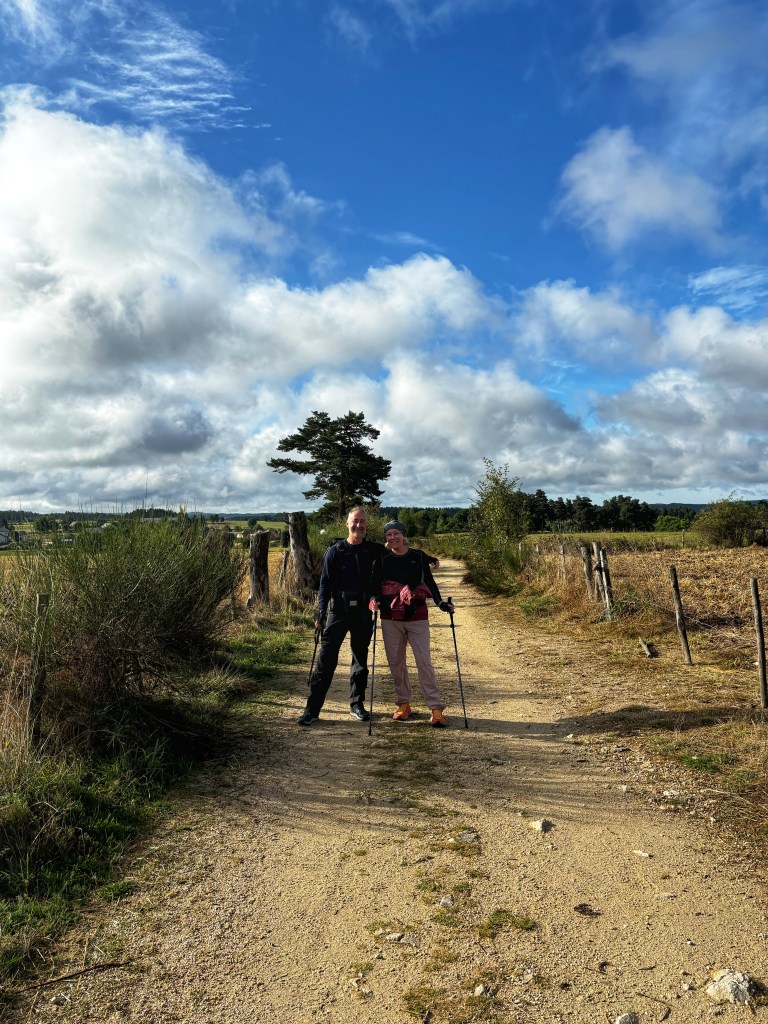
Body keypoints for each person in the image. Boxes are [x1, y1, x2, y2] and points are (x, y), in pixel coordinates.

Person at [297, 508, 382, 726]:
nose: (359, 525)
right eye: (355, 521)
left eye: (362, 521)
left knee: (360, 661)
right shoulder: (335, 551)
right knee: (326, 661)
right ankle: (312, 710)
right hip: (337, 611)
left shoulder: (373, 549)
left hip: (363, 611)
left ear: (366, 525)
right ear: (347, 523)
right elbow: (324, 583)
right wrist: (320, 611)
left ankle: (357, 705)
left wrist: (427, 559)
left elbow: (399, 552)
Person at [373, 520, 454, 728]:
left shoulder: (418, 556)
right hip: (390, 617)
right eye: (388, 535)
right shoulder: (382, 559)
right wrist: (374, 600)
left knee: (424, 661)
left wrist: (440, 603)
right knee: (396, 662)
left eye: (396, 533)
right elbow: (376, 584)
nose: (392, 538)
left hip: (417, 616)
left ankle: (436, 708)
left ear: (403, 535)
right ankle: (403, 704)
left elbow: (429, 582)